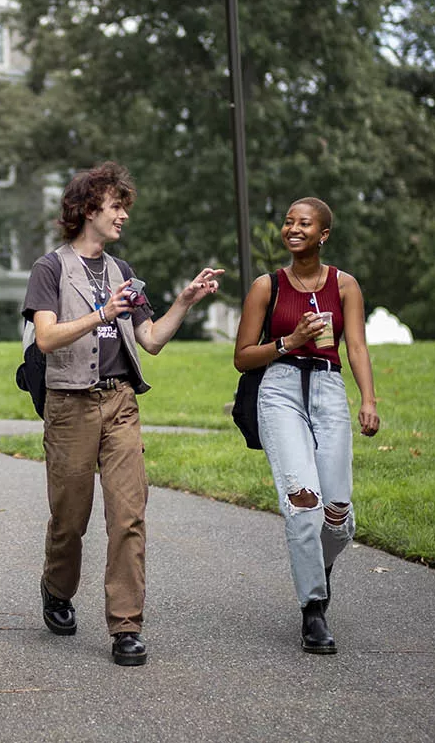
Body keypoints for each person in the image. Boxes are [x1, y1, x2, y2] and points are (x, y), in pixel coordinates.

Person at [21, 161, 224, 666]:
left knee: (128, 516)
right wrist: (101, 315)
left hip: (120, 404)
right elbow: (45, 337)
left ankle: (126, 628)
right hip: (69, 403)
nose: (123, 217)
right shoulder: (51, 269)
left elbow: (149, 340)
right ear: (88, 209)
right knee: (71, 519)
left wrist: (185, 301)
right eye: (116, 206)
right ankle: (57, 587)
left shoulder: (123, 273)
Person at [233, 197, 380, 654]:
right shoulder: (266, 286)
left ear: (324, 234)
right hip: (278, 390)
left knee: (336, 516)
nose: (293, 229)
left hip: (329, 389)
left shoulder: (346, 285)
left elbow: (355, 345)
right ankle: (313, 612)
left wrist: (368, 399)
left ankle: (318, 565)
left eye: (305, 223)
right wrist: (289, 341)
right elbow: (242, 357)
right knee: (303, 503)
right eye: (288, 222)